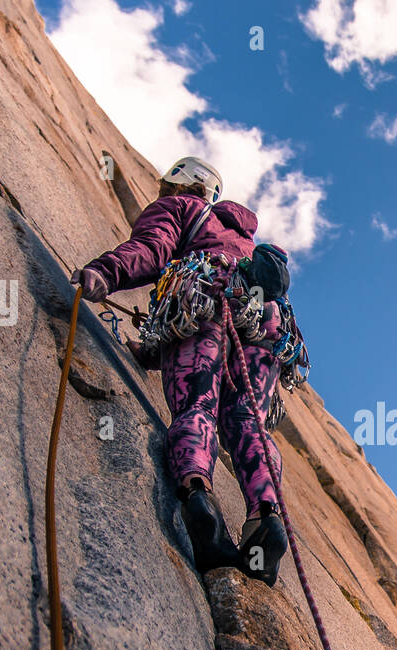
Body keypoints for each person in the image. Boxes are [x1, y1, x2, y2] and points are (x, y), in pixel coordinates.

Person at [70, 157, 288, 586]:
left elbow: (152, 252)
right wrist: (151, 352)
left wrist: (104, 272)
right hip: (267, 326)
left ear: (178, 184)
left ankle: (198, 497)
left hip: (205, 296)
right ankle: (266, 516)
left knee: (198, 404)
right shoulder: (241, 239)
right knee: (248, 422)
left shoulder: (182, 209)